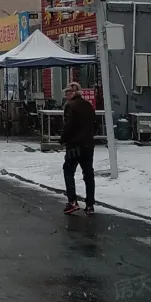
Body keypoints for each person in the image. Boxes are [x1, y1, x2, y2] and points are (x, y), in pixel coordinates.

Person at [60, 81, 97, 214]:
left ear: (74, 92)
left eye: (68, 93)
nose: (66, 96)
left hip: (74, 145)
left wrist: (63, 139)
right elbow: (95, 123)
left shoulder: (70, 106)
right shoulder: (88, 105)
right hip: (88, 145)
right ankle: (90, 204)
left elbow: (68, 126)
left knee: (68, 170)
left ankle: (72, 201)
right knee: (88, 173)